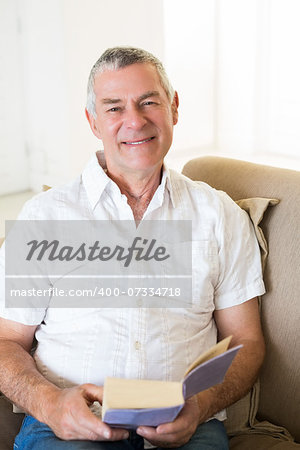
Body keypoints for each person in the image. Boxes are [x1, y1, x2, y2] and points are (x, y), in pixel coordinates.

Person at [0, 47, 266, 450]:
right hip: (67, 428)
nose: (135, 121)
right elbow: (6, 341)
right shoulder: (44, 217)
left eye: (148, 102)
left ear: (173, 108)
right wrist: (52, 405)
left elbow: (245, 341)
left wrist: (202, 403)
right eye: (113, 108)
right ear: (92, 122)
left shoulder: (220, 215)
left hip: (188, 428)